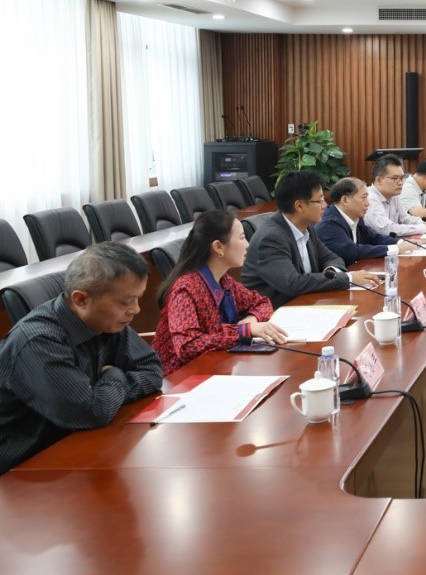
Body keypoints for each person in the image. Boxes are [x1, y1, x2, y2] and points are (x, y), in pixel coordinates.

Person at [0, 242, 163, 474]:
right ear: (81, 299)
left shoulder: (106, 321)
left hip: (76, 449)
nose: (136, 309)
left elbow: (151, 370)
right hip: (23, 471)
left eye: (138, 299)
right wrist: (114, 374)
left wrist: (103, 394)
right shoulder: (37, 341)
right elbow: (91, 412)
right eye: (126, 302)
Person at [152, 210, 288, 373]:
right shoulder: (185, 289)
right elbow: (187, 346)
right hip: (179, 376)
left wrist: (251, 320)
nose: (248, 244)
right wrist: (245, 331)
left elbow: (262, 302)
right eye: (242, 238)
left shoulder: (224, 281)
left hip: (216, 366)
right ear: (218, 247)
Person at [241, 170, 380, 307]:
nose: (325, 206)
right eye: (319, 200)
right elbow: (293, 283)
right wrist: (348, 278)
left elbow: (332, 258)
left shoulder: (307, 228)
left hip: (307, 303)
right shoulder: (271, 238)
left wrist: (332, 275)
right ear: (299, 206)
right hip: (274, 313)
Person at [317, 177, 415, 265]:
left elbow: (374, 238)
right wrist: (395, 249)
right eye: (364, 198)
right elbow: (352, 250)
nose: (368, 203)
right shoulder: (329, 223)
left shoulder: (356, 217)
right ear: (345, 200)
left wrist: (401, 242)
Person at [365, 154, 426, 237]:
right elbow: (386, 229)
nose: (400, 183)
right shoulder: (369, 198)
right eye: (395, 178)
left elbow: (406, 219)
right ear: (379, 180)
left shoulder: (394, 196)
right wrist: (424, 228)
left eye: (401, 178)